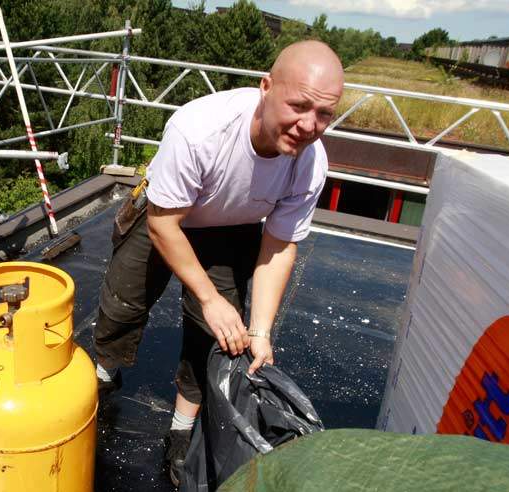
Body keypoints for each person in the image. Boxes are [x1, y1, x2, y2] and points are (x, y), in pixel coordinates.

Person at [94, 40, 344, 486]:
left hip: (231, 226)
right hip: (167, 212)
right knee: (124, 300)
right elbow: (163, 224)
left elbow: (280, 245)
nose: (309, 125)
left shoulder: (311, 164)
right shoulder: (200, 128)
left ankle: (180, 430)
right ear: (266, 87)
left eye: (324, 113)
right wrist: (207, 296)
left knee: (219, 336)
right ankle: (104, 372)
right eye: (299, 105)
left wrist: (260, 329)